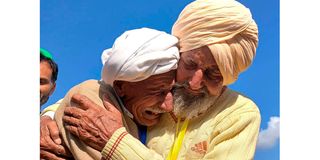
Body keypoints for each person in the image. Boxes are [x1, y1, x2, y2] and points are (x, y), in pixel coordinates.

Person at [62, 0, 261, 159]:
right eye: (190, 64)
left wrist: (117, 143)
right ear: (178, 53)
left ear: (229, 76)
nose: (194, 83)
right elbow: (94, 93)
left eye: (214, 74)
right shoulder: (150, 89)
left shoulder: (240, 114)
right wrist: (46, 118)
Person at [43, 28, 180, 160]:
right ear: (121, 87)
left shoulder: (139, 110)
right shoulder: (91, 97)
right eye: (157, 92)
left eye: (172, 90)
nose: (168, 106)